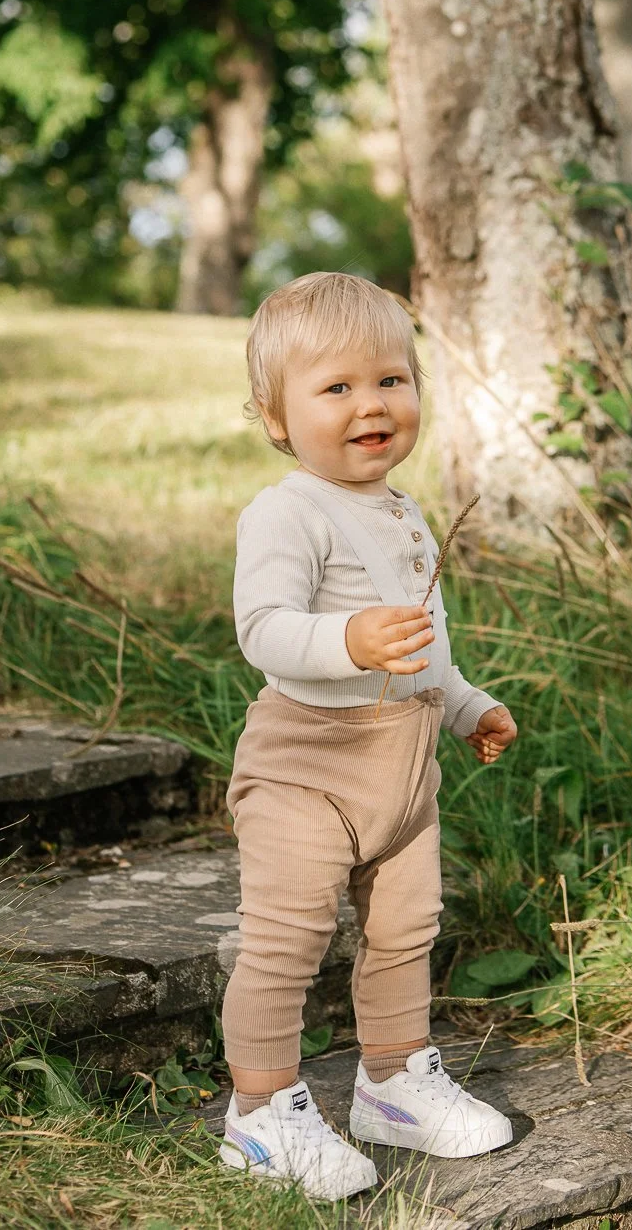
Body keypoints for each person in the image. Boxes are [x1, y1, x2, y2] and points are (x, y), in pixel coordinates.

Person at [218, 271, 519, 1200]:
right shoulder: (288, 510)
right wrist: (347, 639)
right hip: (309, 763)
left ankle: (393, 1082)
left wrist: (466, 704)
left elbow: (425, 645)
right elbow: (262, 627)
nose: (371, 405)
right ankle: (260, 1117)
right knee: (286, 939)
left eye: (391, 379)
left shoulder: (404, 510)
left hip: (404, 767)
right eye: (337, 388)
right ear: (276, 416)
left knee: (403, 930)